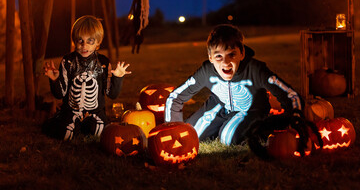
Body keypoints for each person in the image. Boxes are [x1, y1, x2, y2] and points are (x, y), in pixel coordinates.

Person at [165, 24, 303, 145]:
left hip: (251, 110)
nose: (225, 62)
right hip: (220, 107)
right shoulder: (206, 71)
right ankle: (221, 125)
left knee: (228, 137)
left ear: (242, 53)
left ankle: (256, 128)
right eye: (219, 56)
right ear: (210, 57)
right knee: (190, 135)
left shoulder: (255, 70)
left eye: (231, 55)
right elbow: (176, 97)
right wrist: (172, 128)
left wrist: (293, 121)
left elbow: (290, 95)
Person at [42, 15, 131, 140]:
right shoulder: (68, 61)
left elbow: (111, 94)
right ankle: (70, 125)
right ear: (74, 40)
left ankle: (83, 127)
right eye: (80, 40)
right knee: (65, 134)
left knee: (101, 133)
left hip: (95, 113)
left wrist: (117, 77)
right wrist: (54, 79)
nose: (84, 46)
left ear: (98, 42)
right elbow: (59, 94)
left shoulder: (103, 62)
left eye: (90, 41)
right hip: (71, 111)